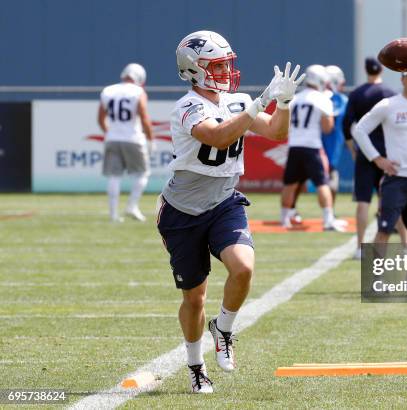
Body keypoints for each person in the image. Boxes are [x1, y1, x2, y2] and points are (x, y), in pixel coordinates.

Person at [156, 30, 304, 394]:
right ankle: (195, 365)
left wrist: (282, 103)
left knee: (244, 267)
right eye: (217, 65)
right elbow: (218, 136)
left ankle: (223, 328)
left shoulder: (236, 100)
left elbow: (275, 132)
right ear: (193, 70)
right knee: (194, 298)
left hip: (224, 201)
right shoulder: (188, 106)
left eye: (226, 63)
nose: (225, 71)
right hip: (182, 211)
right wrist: (259, 102)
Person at [352, 69, 407, 257]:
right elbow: (359, 130)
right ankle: (376, 280)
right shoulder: (388, 105)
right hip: (396, 178)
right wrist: (377, 159)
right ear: (402, 79)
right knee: (384, 231)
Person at [342, 58, 401, 259]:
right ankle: (406, 245)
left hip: (366, 153)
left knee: (363, 201)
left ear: (365, 69)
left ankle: (360, 248)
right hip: (387, 153)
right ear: (382, 68)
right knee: (393, 201)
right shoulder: (391, 94)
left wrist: (353, 150)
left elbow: (347, 124)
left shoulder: (358, 93)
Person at [279, 64, 344, 231]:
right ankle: (328, 219)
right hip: (312, 146)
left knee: (290, 184)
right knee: (322, 183)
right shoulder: (322, 99)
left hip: (294, 145)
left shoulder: (295, 98)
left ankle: (284, 218)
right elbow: (327, 128)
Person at [98, 63, 153, 222]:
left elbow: (100, 118)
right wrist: (150, 138)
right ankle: (131, 205)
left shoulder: (108, 90)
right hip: (133, 138)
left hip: (112, 138)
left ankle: (113, 215)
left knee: (114, 176)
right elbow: (144, 117)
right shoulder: (138, 91)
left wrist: (110, 132)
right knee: (142, 174)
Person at [322, 65, 349, 203]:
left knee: (333, 179)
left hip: (332, 146)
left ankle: (330, 213)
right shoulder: (324, 99)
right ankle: (290, 211)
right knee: (298, 180)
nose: (343, 86)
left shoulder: (340, 99)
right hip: (319, 146)